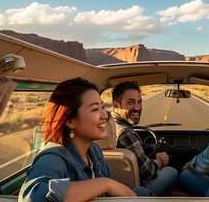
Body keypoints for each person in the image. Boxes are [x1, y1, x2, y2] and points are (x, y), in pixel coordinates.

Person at [19, 78, 150, 202]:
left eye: (102, 107)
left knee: (142, 192)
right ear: (70, 121)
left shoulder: (94, 150)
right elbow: (32, 196)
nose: (105, 115)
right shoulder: (54, 156)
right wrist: (106, 184)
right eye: (95, 109)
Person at [111, 81, 178, 196]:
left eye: (139, 102)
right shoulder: (125, 133)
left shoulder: (108, 126)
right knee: (172, 172)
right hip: (136, 189)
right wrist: (159, 160)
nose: (137, 107)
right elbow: (149, 172)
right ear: (116, 105)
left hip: (114, 189)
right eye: (131, 102)